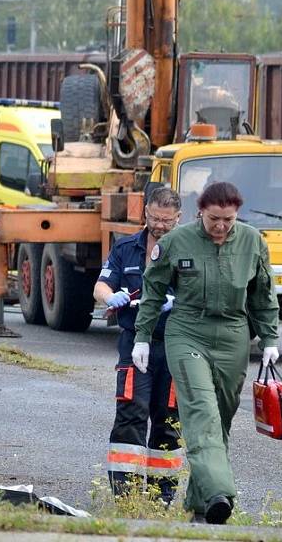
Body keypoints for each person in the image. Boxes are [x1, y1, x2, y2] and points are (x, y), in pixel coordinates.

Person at [134, 181, 279, 524]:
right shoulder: (175, 242)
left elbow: (263, 295)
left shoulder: (252, 241)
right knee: (201, 411)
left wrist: (271, 340)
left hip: (232, 335)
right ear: (200, 212)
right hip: (188, 331)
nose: (221, 226)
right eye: (215, 218)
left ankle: (201, 507)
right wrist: (142, 335)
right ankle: (221, 493)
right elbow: (152, 289)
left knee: (221, 419)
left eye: (228, 220)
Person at [94, 187, 184, 503]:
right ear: (145, 212)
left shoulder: (188, 251)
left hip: (173, 345)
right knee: (131, 412)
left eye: (166, 221)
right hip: (134, 344)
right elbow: (101, 285)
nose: (159, 226)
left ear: (178, 218)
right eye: (154, 218)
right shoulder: (126, 247)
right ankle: (126, 494)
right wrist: (110, 296)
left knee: (168, 418)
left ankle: (162, 497)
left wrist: (178, 301)